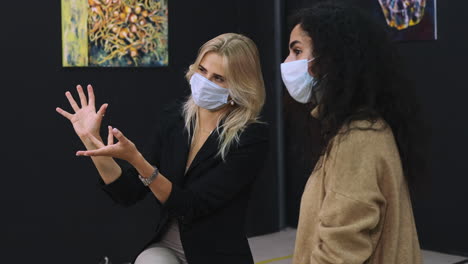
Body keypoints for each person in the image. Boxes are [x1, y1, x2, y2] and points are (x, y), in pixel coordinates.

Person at [56, 33, 268, 264]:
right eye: (202, 70)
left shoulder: (251, 137)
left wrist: (138, 161)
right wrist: (91, 140)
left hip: (215, 255)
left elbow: (192, 206)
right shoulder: (175, 119)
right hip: (166, 248)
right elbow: (127, 192)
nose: (205, 81)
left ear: (239, 86)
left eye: (218, 78)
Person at [281, 2, 424, 263]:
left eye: (297, 51)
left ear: (330, 58)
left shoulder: (358, 138)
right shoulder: (357, 128)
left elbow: (339, 252)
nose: (287, 62)